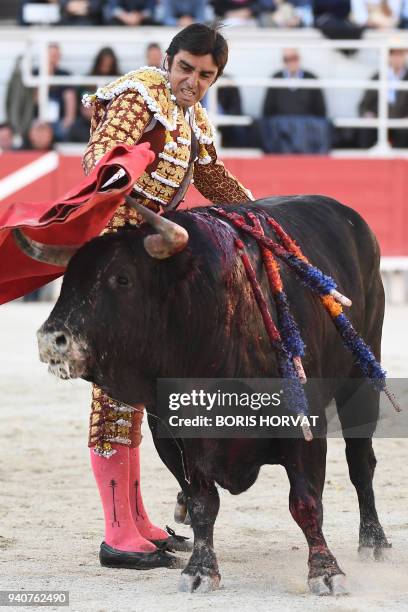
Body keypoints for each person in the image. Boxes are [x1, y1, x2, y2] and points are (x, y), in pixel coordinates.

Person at [82, 23, 252, 570]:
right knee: (112, 391)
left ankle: (135, 521)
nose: (192, 81)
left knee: (133, 392)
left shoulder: (193, 117)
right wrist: (151, 228)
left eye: (205, 75)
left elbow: (213, 176)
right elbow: (100, 172)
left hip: (145, 269)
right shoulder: (139, 95)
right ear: (168, 59)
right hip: (116, 267)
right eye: (185, 68)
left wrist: (260, 214)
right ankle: (115, 533)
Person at [359, 47, 408, 147]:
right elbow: (365, 104)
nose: (397, 58)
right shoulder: (378, 76)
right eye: (393, 54)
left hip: (403, 120)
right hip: (378, 120)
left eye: (400, 54)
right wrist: (368, 114)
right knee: (366, 131)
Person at [33, 43, 77, 142]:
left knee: (65, 131)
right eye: (51, 55)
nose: (53, 58)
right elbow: (35, 99)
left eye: (56, 55)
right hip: (38, 119)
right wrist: (47, 74)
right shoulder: (36, 73)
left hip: (59, 120)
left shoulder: (64, 75)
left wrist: (68, 119)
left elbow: (70, 98)